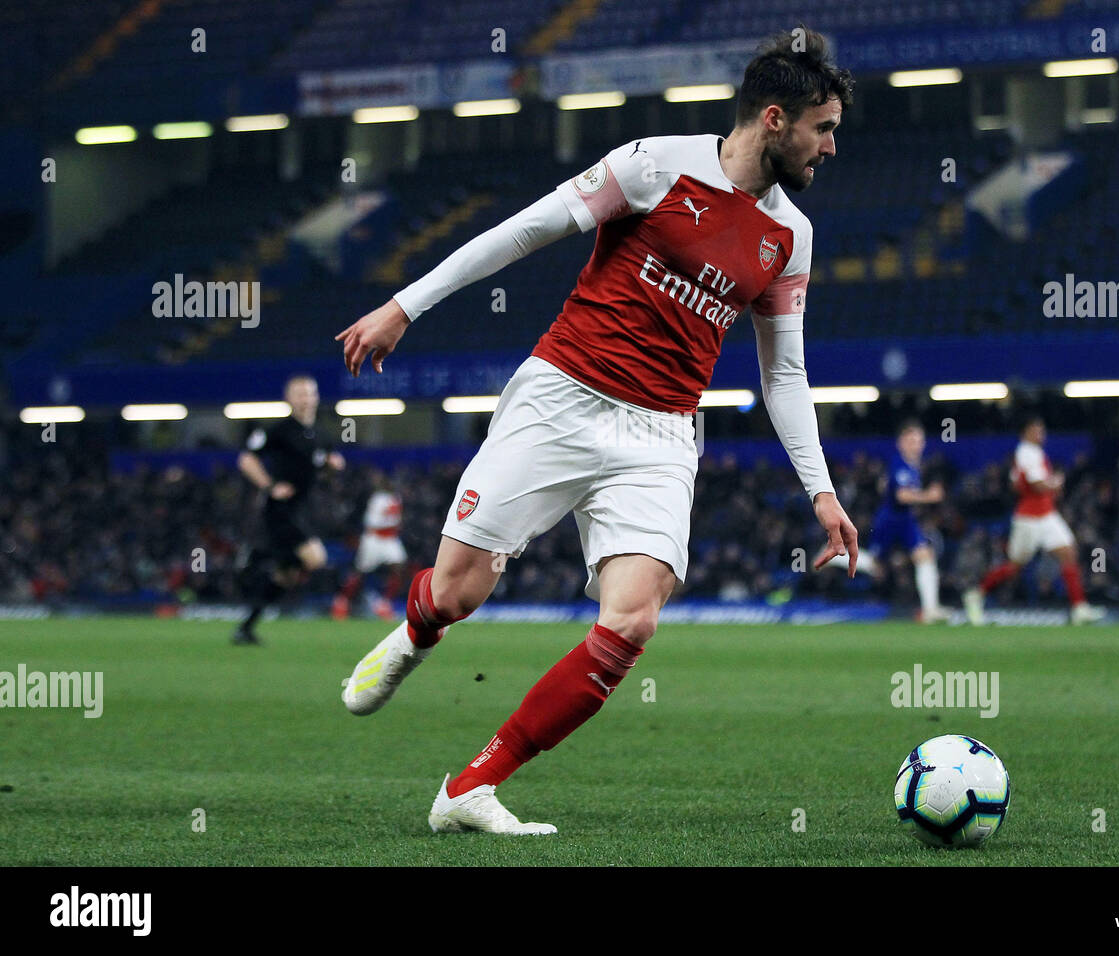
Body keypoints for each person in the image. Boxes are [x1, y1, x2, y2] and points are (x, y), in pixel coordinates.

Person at [334, 29, 859, 834]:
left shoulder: (792, 238)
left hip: (662, 433)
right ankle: (416, 629)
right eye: (823, 128)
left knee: (634, 618)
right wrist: (405, 306)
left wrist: (821, 495)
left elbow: (782, 374)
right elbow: (521, 232)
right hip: (563, 396)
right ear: (775, 119)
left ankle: (472, 786)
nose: (831, 146)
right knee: (461, 590)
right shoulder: (654, 164)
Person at [232, 375, 344, 645]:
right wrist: (270, 486)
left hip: (303, 509)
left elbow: (327, 462)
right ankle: (255, 557)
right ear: (289, 398)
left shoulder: (320, 433)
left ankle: (245, 628)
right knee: (315, 558)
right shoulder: (279, 431)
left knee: (286, 575)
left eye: (309, 394)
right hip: (281, 510)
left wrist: (333, 465)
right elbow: (246, 459)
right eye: (300, 394)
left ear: (316, 397)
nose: (306, 399)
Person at [962, 416, 1104, 626]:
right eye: (1036, 430)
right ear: (1025, 433)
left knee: (1069, 553)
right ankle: (976, 594)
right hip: (1029, 518)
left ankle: (1079, 608)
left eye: (1042, 430)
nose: (1041, 434)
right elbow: (1037, 484)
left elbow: (1015, 483)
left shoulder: (1030, 453)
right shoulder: (1026, 453)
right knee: (1014, 567)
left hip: (1046, 514)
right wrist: (1055, 484)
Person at [827, 420, 951, 621]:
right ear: (901, 442)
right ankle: (837, 555)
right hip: (890, 521)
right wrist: (930, 495)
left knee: (924, 556)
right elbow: (902, 496)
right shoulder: (899, 464)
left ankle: (930, 610)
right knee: (877, 567)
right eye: (911, 440)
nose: (916, 445)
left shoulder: (913, 466)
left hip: (906, 520)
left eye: (919, 441)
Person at [332, 471, 407, 620]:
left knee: (399, 567)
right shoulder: (377, 499)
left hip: (390, 539)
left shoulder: (395, 498)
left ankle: (384, 603)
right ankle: (342, 601)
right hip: (375, 538)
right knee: (360, 572)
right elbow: (372, 521)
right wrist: (391, 524)